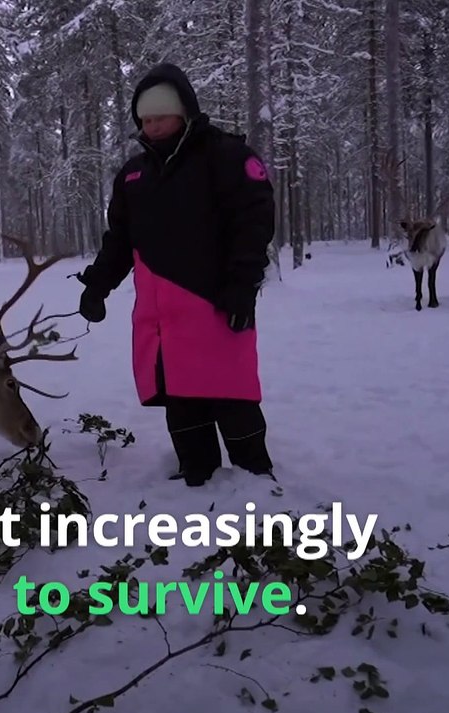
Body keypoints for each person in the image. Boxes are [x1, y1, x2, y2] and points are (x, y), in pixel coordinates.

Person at [76, 62, 276, 488]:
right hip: (160, 314)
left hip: (216, 305)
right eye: (144, 120)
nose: (151, 127)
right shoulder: (134, 175)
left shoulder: (226, 157)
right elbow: (120, 239)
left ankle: (257, 483)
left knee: (231, 393)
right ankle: (195, 478)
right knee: (181, 398)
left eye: (160, 118)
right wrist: (98, 284)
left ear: (184, 113)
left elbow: (253, 225)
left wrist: (243, 287)